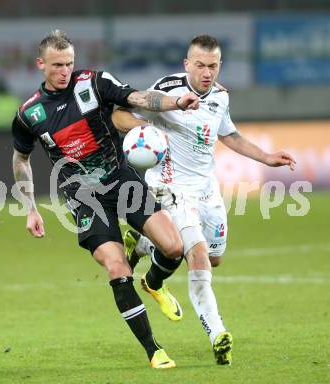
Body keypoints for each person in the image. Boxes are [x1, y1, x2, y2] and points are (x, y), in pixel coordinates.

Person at [11, 30, 200, 369]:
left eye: (69, 63)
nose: (64, 71)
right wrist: (30, 209)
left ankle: (153, 282)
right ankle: (154, 351)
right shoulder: (30, 114)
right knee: (116, 268)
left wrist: (176, 101)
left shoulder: (94, 82)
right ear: (40, 64)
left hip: (122, 181)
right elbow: (21, 160)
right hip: (85, 200)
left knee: (173, 248)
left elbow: (139, 98)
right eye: (56, 65)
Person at [112, 34, 296, 366]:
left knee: (214, 259)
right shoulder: (167, 88)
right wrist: (144, 133)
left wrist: (266, 157)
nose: (206, 72)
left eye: (212, 66)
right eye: (199, 65)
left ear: (219, 66)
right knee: (195, 255)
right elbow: (120, 116)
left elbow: (229, 134)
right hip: (169, 187)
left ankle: (142, 246)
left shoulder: (220, 98)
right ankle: (217, 334)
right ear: (187, 65)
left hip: (207, 189)